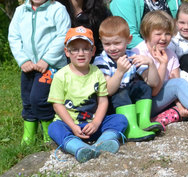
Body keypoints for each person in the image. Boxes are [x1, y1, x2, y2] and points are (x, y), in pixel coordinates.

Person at [9, 0, 71, 145]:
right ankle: (28, 134)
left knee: (40, 99)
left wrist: (47, 60)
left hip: (49, 67)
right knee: (27, 99)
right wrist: (23, 59)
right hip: (28, 66)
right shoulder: (21, 11)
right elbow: (14, 37)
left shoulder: (57, 10)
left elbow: (63, 36)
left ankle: (48, 133)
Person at [47, 27, 128, 163]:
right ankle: (77, 147)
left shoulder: (96, 72)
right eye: (75, 49)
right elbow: (57, 105)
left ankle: (103, 142)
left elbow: (103, 101)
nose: (81, 54)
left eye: (85, 49)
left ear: (93, 51)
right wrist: (73, 126)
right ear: (67, 52)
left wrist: (96, 123)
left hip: (92, 124)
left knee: (120, 119)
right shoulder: (61, 75)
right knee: (54, 128)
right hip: (70, 125)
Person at [94, 16, 162, 142]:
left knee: (143, 87)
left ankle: (143, 121)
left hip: (129, 101)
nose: (112, 48)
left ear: (128, 40)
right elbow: (108, 91)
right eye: (107, 44)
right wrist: (119, 72)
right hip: (111, 102)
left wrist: (151, 64)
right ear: (101, 41)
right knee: (121, 92)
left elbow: (153, 83)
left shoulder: (131, 56)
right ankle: (130, 128)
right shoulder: (101, 61)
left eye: (117, 43)